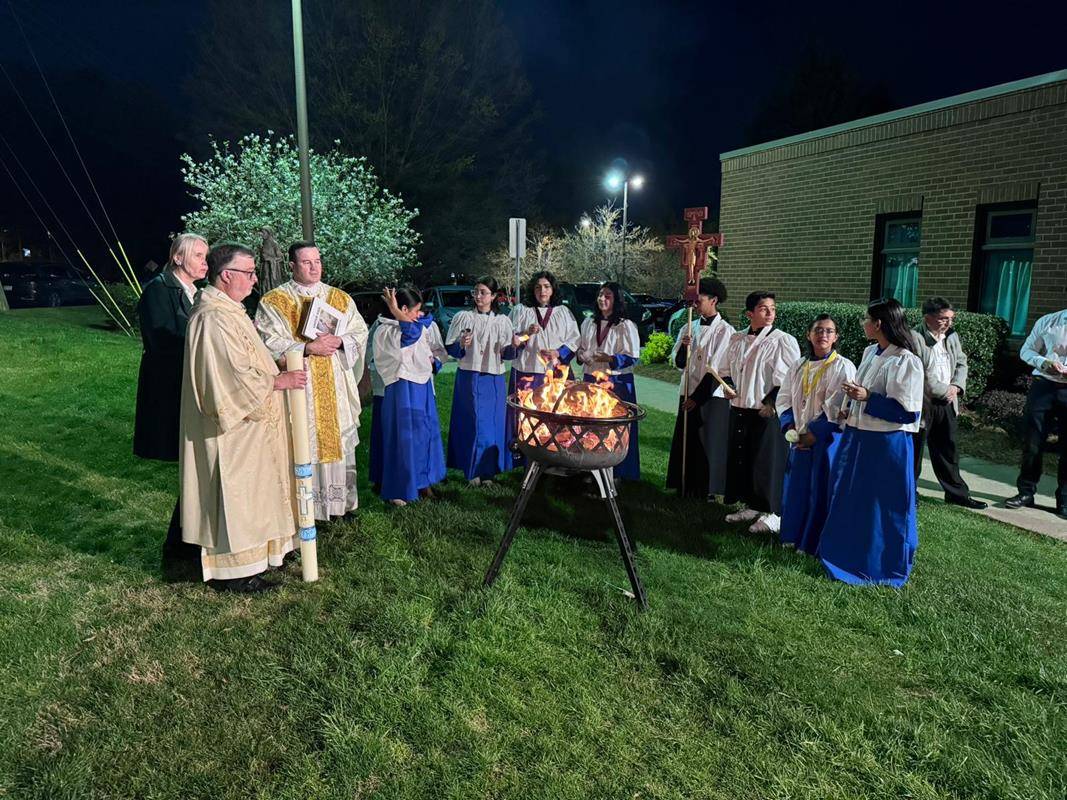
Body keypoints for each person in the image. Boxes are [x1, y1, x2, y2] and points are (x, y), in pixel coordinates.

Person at [180, 243, 307, 593]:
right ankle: (234, 570)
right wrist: (278, 381)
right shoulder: (212, 318)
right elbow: (225, 377)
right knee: (238, 493)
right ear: (226, 276)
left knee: (258, 492)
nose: (255, 280)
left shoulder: (231, 311)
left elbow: (248, 360)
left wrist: (275, 364)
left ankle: (265, 554)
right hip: (234, 429)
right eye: (249, 273)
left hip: (256, 426)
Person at [255, 241, 369, 520]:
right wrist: (307, 348)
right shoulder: (274, 301)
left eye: (317, 261)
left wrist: (340, 340)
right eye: (306, 262)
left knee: (337, 441)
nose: (314, 267)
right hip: (300, 385)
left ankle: (339, 504)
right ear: (292, 266)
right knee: (303, 440)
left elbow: (360, 331)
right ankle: (305, 509)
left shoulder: (340, 298)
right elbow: (267, 342)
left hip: (334, 383)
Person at [818, 298, 924, 587]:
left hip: (886, 444)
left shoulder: (906, 361)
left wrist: (867, 398)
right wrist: (850, 406)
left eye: (867, 318)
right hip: (859, 436)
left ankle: (880, 563)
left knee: (882, 506)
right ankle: (846, 553)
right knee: (853, 499)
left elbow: (906, 411)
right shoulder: (870, 352)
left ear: (878, 324)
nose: (863, 323)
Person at [133, 233, 209, 580]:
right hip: (171, 391)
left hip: (193, 387)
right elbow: (163, 339)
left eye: (207, 256)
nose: (205, 263)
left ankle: (189, 548)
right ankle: (179, 554)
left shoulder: (199, 293)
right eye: (198, 256)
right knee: (191, 472)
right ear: (178, 258)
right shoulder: (157, 291)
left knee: (196, 471)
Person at [719, 291, 802, 533]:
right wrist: (729, 387)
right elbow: (726, 371)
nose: (770, 313)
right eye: (764, 309)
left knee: (768, 462)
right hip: (740, 408)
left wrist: (772, 403)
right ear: (750, 314)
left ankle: (774, 512)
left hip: (766, 411)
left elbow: (789, 377)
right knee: (745, 460)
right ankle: (752, 505)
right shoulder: (737, 339)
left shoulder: (782, 340)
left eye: (773, 309)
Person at [776, 314, 856, 554]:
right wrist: (789, 426)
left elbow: (837, 405)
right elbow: (784, 397)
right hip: (798, 437)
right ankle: (791, 536)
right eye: (818, 330)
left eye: (829, 331)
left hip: (826, 439)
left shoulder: (843, 366)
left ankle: (812, 543)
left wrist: (814, 434)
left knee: (819, 490)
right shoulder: (799, 365)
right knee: (797, 489)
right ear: (809, 335)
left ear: (836, 337)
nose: (823, 335)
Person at [909, 297, 986, 509]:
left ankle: (956, 494)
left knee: (948, 450)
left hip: (948, 402)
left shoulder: (951, 336)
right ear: (928, 318)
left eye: (951, 319)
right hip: (925, 404)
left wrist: (956, 387)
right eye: (943, 319)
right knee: (915, 452)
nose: (948, 323)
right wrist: (945, 390)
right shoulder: (915, 338)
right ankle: (909, 493)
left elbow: (961, 362)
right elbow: (921, 374)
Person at [373, 286, 447, 506]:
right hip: (402, 388)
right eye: (415, 310)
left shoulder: (413, 325)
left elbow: (424, 346)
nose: (419, 314)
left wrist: (433, 362)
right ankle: (399, 488)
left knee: (423, 434)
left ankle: (422, 481)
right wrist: (395, 310)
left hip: (421, 387)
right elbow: (411, 335)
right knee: (403, 438)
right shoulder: (387, 330)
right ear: (403, 309)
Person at [445, 277, 523, 485]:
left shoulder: (503, 321)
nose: (478, 296)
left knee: (492, 424)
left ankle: (488, 470)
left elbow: (507, 354)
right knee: (472, 422)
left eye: (483, 292)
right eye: (476, 292)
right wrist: (461, 343)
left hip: (494, 377)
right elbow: (451, 349)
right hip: (470, 374)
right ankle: (472, 470)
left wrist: (515, 345)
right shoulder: (463, 318)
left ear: (494, 296)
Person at [665, 278, 735, 498]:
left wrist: (697, 397)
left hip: (709, 395)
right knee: (686, 439)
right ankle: (683, 482)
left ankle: (706, 488)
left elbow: (718, 368)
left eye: (699, 299)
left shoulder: (725, 331)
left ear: (713, 300)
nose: (695, 304)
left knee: (707, 440)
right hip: (687, 389)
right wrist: (682, 350)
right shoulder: (689, 326)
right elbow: (677, 362)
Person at [507, 271, 579, 464]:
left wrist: (557, 353)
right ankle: (522, 457)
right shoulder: (521, 311)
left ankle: (556, 458)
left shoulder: (563, 313)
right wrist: (526, 334)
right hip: (527, 371)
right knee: (526, 417)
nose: (542, 291)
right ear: (533, 289)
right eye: (538, 287)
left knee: (555, 416)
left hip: (556, 374)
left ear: (553, 289)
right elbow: (511, 340)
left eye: (546, 286)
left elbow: (574, 340)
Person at [576, 282, 642, 480]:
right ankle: (591, 469)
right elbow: (579, 349)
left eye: (608, 296)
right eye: (600, 295)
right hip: (591, 380)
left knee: (616, 429)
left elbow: (633, 357)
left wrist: (611, 359)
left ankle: (619, 473)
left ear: (616, 300)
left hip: (616, 383)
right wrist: (582, 355)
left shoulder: (625, 326)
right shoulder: (589, 323)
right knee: (591, 427)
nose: (602, 299)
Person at [1005, 307, 1067, 518]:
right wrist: (1043, 362)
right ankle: (1026, 493)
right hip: (1044, 386)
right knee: (1032, 443)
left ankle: (1065, 500)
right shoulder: (1049, 321)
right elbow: (1027, 350)